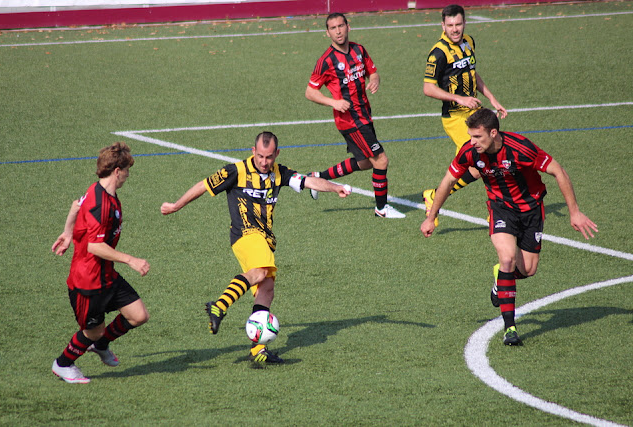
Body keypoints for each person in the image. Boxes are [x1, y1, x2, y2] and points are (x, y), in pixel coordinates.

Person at [160, 131, 351, 364]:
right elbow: (203, 185)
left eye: (269, 157)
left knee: (266, 289)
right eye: (260, 156)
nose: (264, 162)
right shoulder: (235, 171)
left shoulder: (280, 173)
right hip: (245, 234)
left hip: (265, 239)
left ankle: (257, 350)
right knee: (260, 273)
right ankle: (219, 306)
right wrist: (176, 206)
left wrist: (334, 187)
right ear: (253, 152)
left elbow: (309, 181)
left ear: (276, 154)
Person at [420, 108, 597, 345]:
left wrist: (574, 212)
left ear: (493, 133)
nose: (472, 142)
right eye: (470, 136)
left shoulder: (521, 148)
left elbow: (558, 171)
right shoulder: (469, 152)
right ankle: (510, 327)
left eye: (477, 137)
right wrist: (432, 217)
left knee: (528, 270)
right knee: (507, 259)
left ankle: (501, 278)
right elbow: (448, 181)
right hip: (500, 208)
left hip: (532, 210)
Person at [51, 142, 150, 383]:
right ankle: (63, 364)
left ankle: (101, 345)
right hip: (87, 281)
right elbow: (94, 246)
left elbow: (76, 206)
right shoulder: (101, 204)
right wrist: (131, 260)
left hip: (106, 274)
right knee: (93, 331)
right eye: (127, 169)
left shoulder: (99, 191)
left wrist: (67, 232)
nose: (128, 174)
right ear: (117, 171)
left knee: (138, 315)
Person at [305, 12, 405, 218]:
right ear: (327, 33)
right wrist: (333, 102)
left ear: (348, 27)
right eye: (333, 28)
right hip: (350, 120)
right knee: (381, 161)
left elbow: (373, 71)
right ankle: (381, 209)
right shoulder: (326, 61)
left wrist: (375, 80)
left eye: (341, 26)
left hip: (365, 116)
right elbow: (310, 92)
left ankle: (317, 178)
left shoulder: (359, 50)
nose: (338, 31)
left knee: (367, 162)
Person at [422, 4, 508, 226]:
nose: (455, 29)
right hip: (456, 118)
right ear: (443, 25)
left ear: (464, 23)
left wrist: (492, 98)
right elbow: (428, 88)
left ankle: (435, 196)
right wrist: (459, 98)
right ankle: (493, 211)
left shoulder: (469, 42)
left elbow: (472, 73)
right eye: (450, 25)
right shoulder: (438, 53)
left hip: (476, 112)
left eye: (458, 24)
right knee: (481, 163)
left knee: (493, 154)